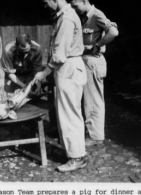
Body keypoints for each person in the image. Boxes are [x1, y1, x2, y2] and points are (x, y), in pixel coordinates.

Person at [36, 0, 87, 172]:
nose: (45, 6)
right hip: (68, 67)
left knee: (69, 114)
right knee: (69, 112)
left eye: (45, 2)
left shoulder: (66, 18)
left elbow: (60, 53)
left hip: (69, 67)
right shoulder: (65, 16)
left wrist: (44, 73)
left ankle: (76, 157)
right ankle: (75, 152)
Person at [70, 0, 119, 146]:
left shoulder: (97, 15)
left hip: (93, 61)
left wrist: (98, 45)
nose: (73, 8)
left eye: (75, 5)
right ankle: (90, 131)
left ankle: (95, 136)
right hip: (85, 61)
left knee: (93, 100)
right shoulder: (84, 16)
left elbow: (114, 32)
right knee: (87, 99)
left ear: (84, 1)